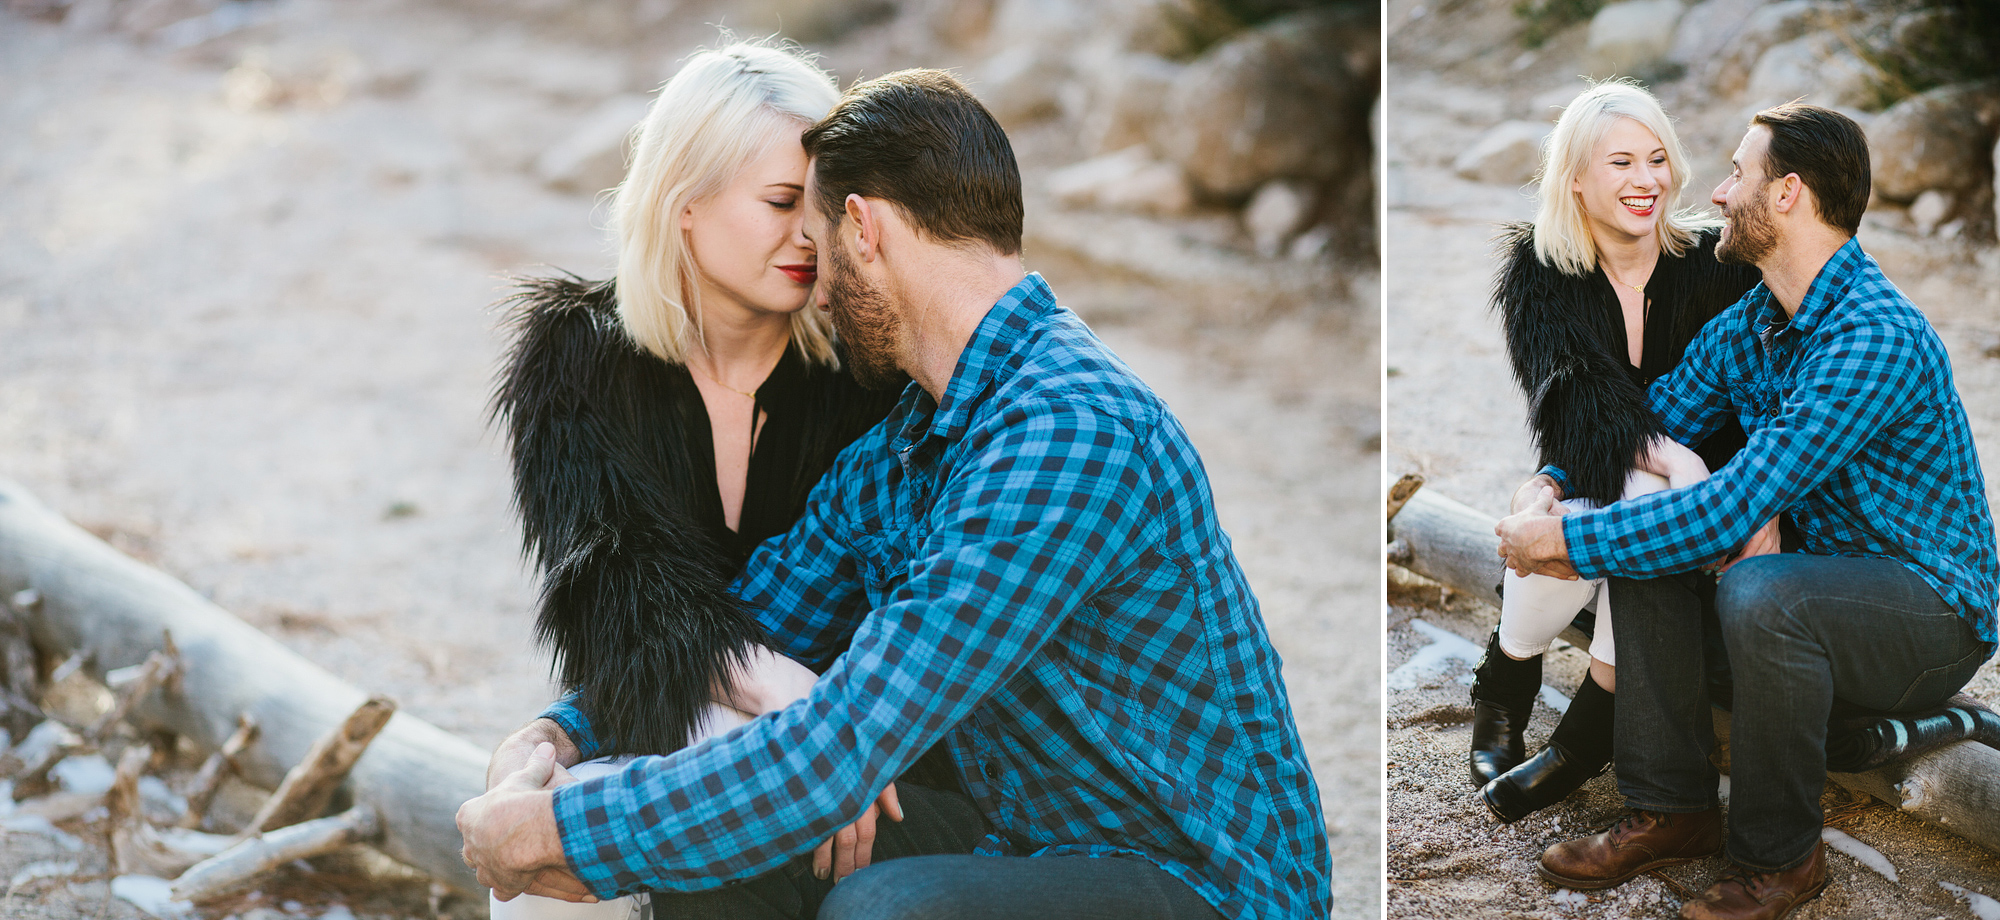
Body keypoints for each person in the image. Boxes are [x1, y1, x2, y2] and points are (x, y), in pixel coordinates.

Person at [458, 69, 1330, 920]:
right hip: (1027, 835)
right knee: (721, 863)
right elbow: (758, 615)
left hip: (1198, 878)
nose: (817, 279)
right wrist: (558, 738)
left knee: (887, 906)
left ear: (864, 230)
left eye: (821, 233)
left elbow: (845, 742)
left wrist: (563, 830)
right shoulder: (908, 441)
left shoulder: (1070, 432)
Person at [1496, 103, 1998, 920]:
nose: (1719, 193)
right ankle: (1673, 809)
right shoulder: (1755, 321)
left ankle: (1781, 862)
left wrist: (1563, 543)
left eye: (1739, 173)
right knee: (1654, 536)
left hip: (1926, 614)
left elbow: (1731, 508)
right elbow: (1657, 417)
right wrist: (1551, 482)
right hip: (1807, 591)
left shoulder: (1872, 336)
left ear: (1789, 194)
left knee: (1759, 592)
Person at [488, 41, 901, 918]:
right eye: (782, 202)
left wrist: (836, 734)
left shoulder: (867, 375)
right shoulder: (574, 358)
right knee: (542, 859)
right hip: (687, 724)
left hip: (868, 744)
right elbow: (617, 592)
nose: (808, 235)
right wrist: (782, 695)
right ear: (685, 203)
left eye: (823, 207)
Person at [1472, 81, 1761, 822]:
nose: (1647, 182)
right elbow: (1574, 408)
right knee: (1598, 493)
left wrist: (1684, 468)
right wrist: (1665, 457)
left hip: (1699, 500)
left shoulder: (1717, 263)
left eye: (1657, 159)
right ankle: (1510, 682)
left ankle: (1574, 738)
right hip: (1602, 474)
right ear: (1575, 178)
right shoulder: (1538, 274)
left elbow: (1739, 404)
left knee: (1632, 496)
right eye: (1622, 163)